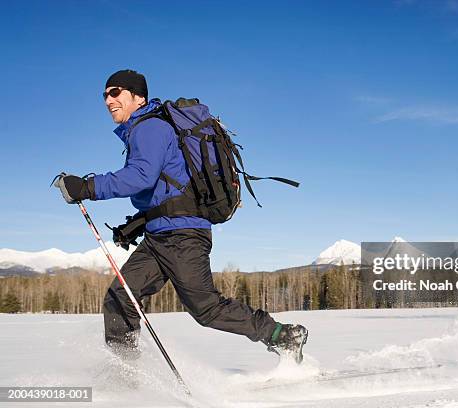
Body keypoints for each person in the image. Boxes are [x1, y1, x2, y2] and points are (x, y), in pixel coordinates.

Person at [54, 69, 308, 363]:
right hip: (162, 235)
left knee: (206, 308)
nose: (108, 100)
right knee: (121, 297)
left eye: (115, 92)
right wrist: (138, 223)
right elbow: (166, 188)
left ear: (138, 97)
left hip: (182, 237)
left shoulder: (150, 128)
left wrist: (87, 187)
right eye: (105, 94)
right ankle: (127, 377)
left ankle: (283, 336)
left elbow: (140, 177)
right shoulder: (145, 128)